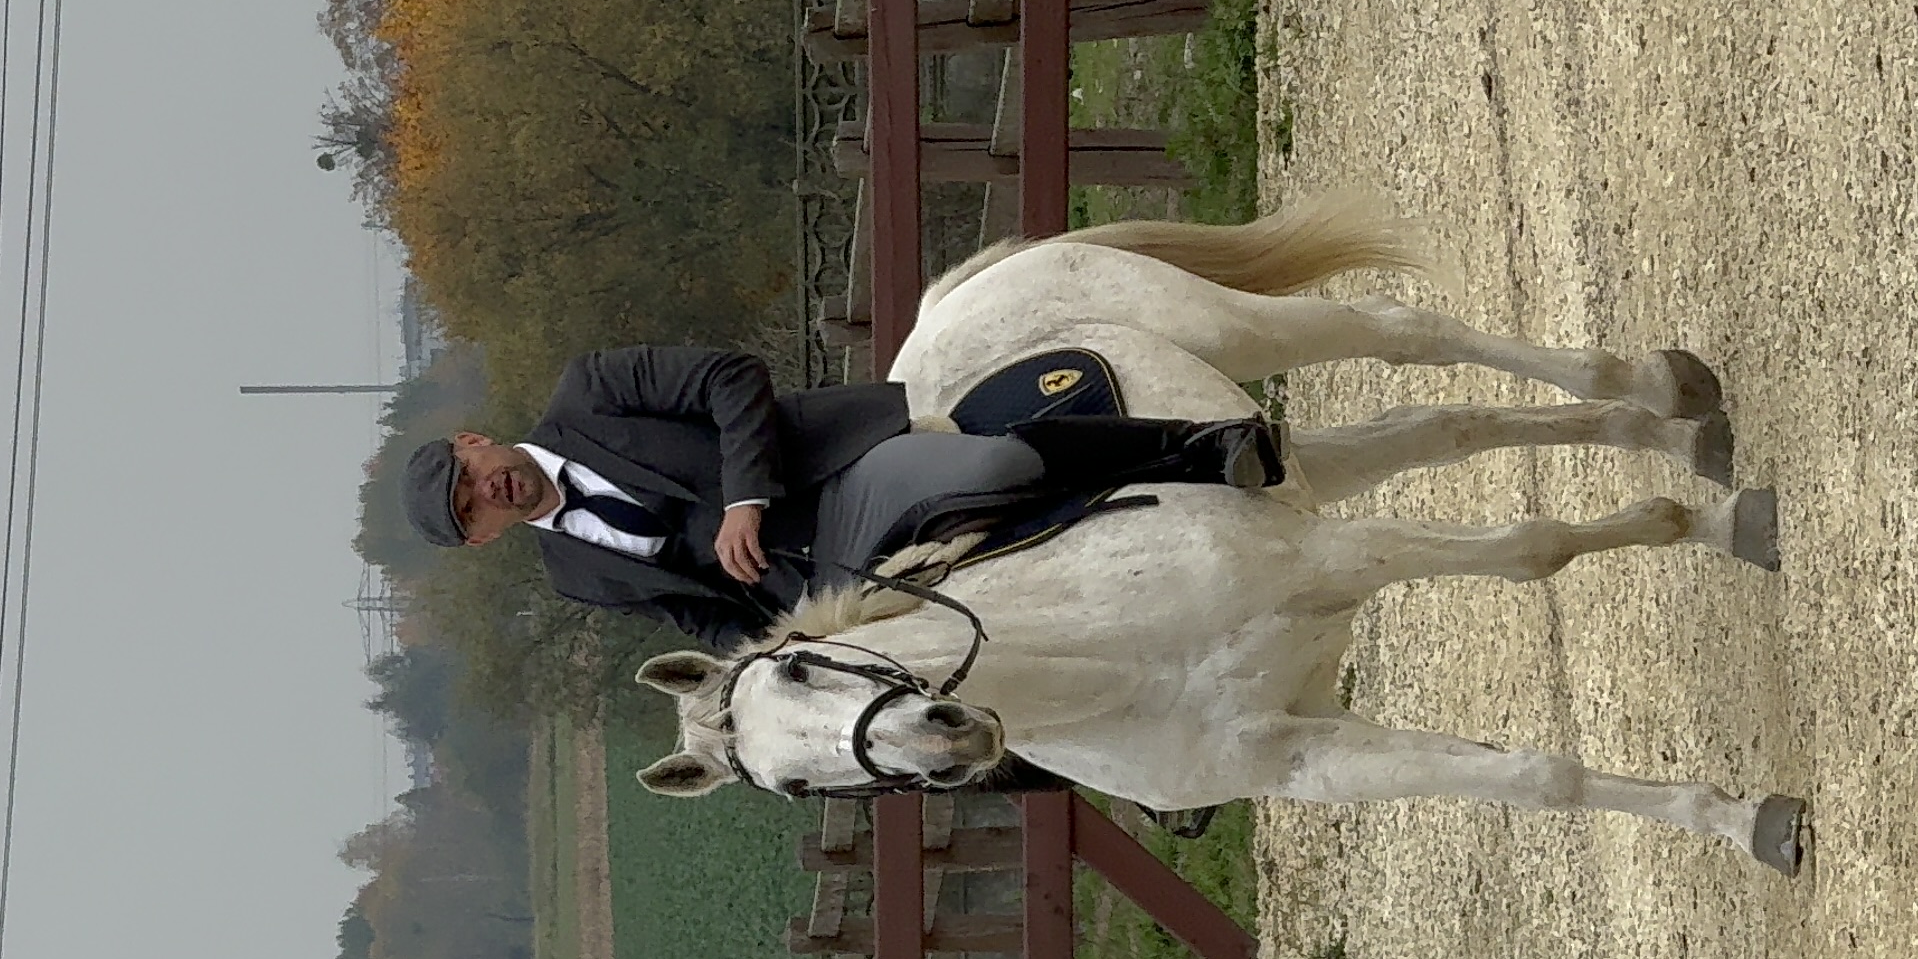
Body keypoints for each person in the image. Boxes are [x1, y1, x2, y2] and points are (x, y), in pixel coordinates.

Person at [401, 345, 1278, 649]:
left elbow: (726, 376)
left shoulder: (588, 391)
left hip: (833, 485)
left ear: (475, 441)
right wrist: (763, 659)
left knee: (993, 469)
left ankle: (1200, 449)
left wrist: (746, 497)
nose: (487, 491)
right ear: (482, 539)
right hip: (818, 598)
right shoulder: (573, 574)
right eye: (471, 509)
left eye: (470, 475)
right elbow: (697, 616)